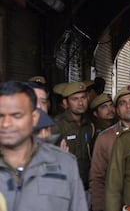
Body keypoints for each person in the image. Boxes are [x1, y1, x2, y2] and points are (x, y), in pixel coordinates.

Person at [0, 81, 88, 211]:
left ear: (34, 117)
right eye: (0, 116)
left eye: (16, 115)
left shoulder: (64, 164)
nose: (6, 124)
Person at [90, 85, 130, 211]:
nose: (128, 106)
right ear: (117, 110)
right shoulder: (105, 138)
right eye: (123, 103)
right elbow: (97, 179)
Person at [52, 81, 95, 193]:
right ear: (65, 103)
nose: (80, 103)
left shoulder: (90, 125)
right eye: (75, 99)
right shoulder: (57, 125)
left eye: (83, 98)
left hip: (86, 187)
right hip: (64, 187)